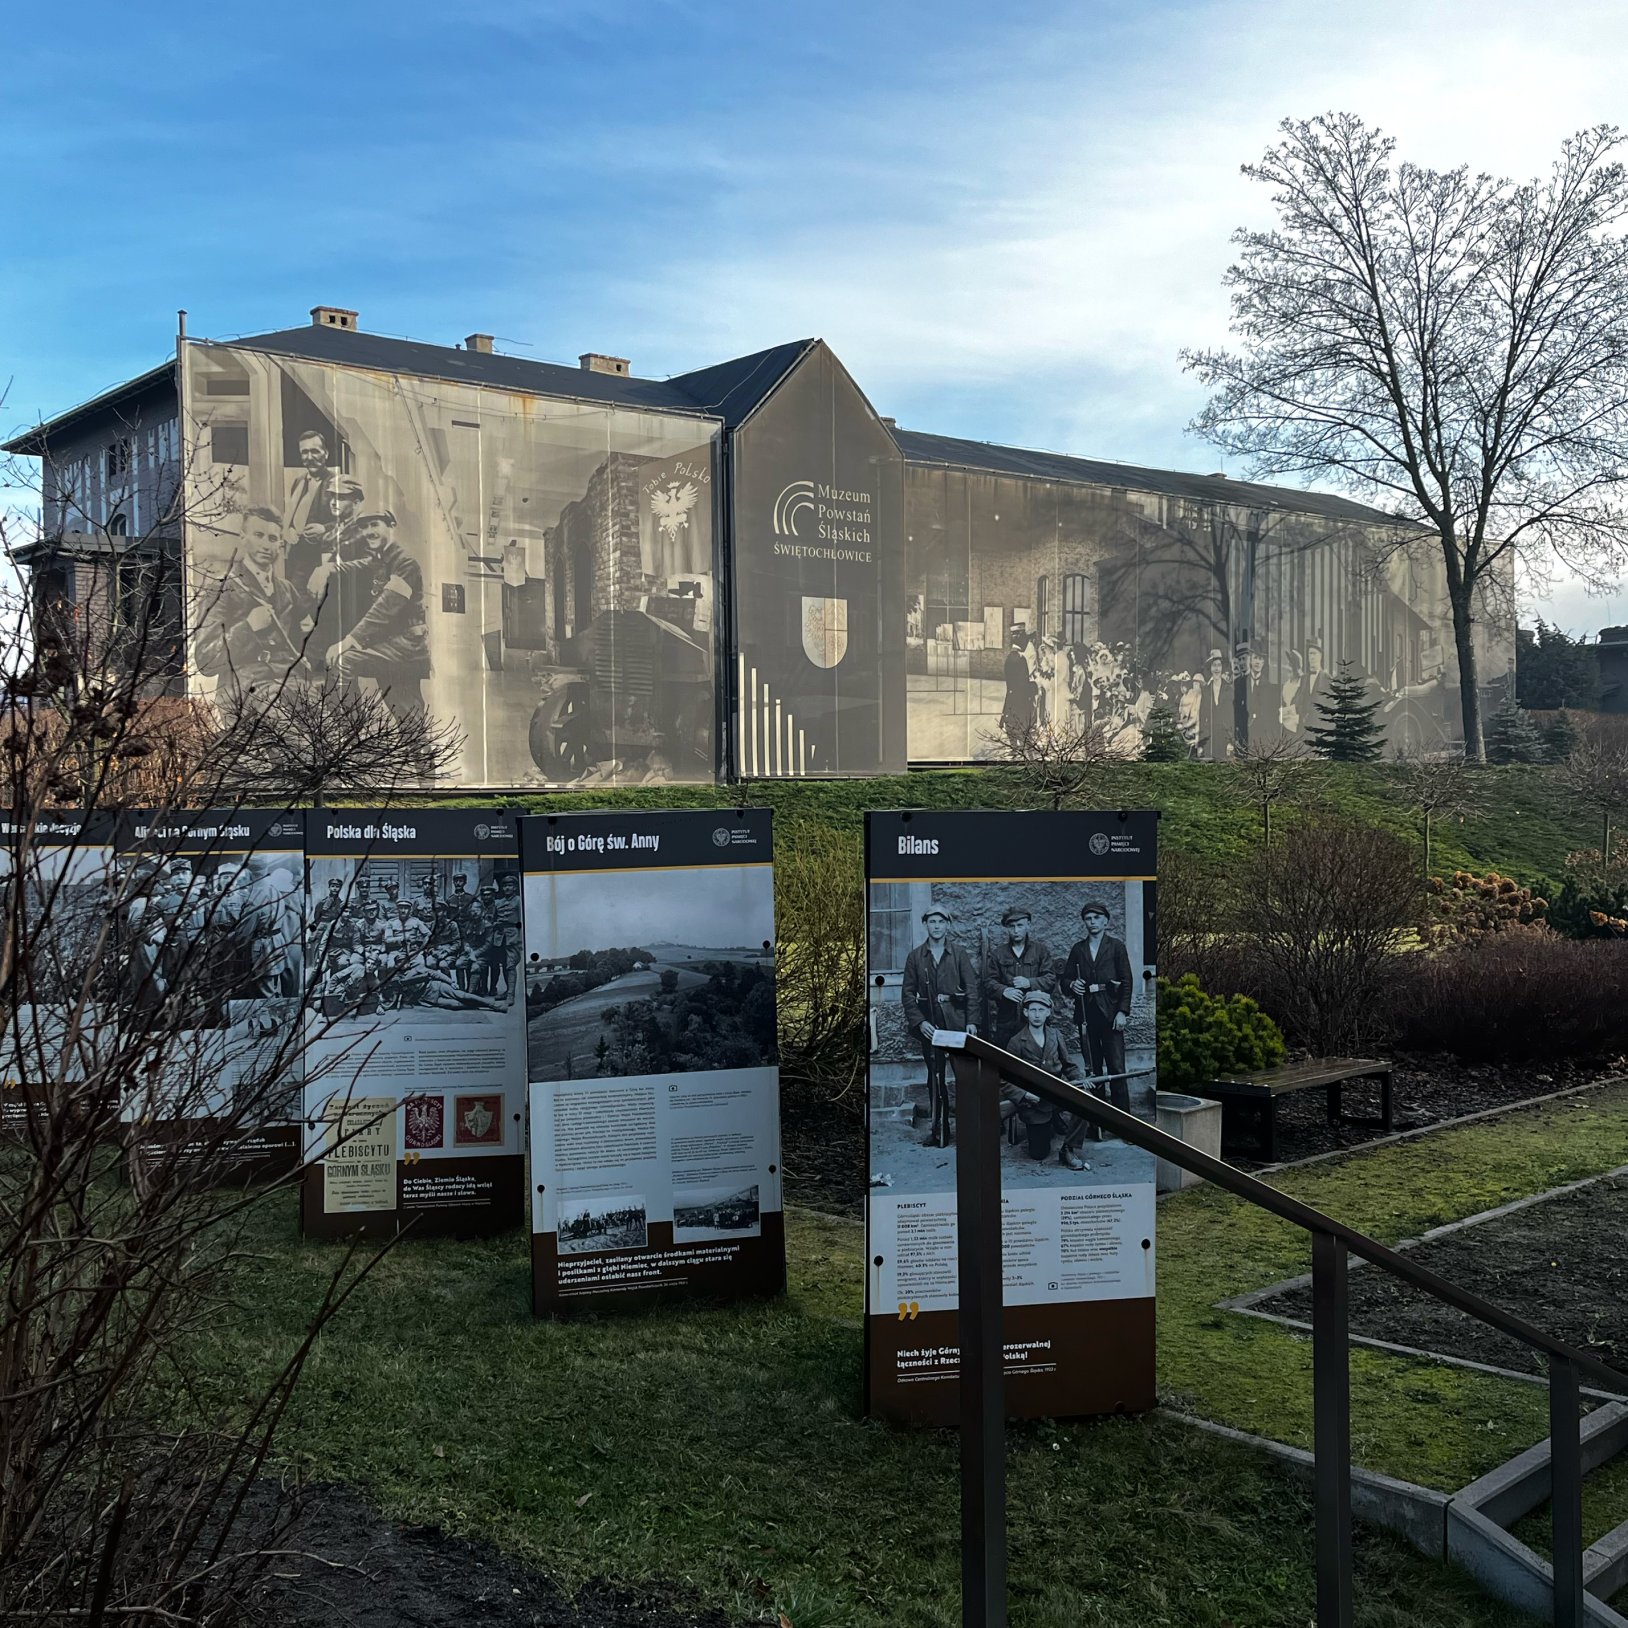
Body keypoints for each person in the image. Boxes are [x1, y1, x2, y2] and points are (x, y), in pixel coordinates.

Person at [309, 510, 431, 710]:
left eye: (374, 524)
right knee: (406, 713)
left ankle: (349, 727)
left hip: (405, 648)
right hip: (389, 647)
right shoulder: (381, 560)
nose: (368, 531)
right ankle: (350, 728)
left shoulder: (404, 563)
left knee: (343, 661)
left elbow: (385, 608)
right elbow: (355, 566)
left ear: (391, 526)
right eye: (364, 527)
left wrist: (349, 641)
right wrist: (324, 569)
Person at [193, 506, 316, 695]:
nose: (266, 545)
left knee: (331, 719)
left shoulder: (286, 590)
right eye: (259, 535)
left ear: (280, 544)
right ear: (243, 538)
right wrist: (248, 626)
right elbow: (206, 660)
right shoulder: (221, 589)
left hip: (289, 684)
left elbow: (309, 635)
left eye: (272, 538)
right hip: (243, 690)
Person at [899, 905, 980, 1146]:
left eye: (941, 922)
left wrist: (972, 1022)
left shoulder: (958, 954)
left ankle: (969, 1129)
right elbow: (907, 994)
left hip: (956, 1023)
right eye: (932, 921)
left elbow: (972, 990)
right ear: (926, 924)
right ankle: (938, 1128)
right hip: (930, 1025)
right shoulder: (915, 956)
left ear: (947, 925)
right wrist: (920, 1022)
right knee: (935, 1076)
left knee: (964, 1076)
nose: (936, 926)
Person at [1063, 900, 1134, 1126]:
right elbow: (1064, 980)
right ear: (1084, 922)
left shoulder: (1115, 946)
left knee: (1116, 1067)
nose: (1092, 922)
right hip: (1086, 1015)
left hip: (1111, 1014)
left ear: (1105, 921)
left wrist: (1122, 1011)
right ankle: (1098, 1123)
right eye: (1088, 918)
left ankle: (1124, 1123)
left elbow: (1126, 981)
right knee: (1093, 1069)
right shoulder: (1078, 949)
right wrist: (1072, 985)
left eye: (1096, 918)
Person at [1004, 990, 1092, 1170]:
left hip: (1057, 1094)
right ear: (1026, 1012)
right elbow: (1005, 1080)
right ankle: (1051, 1121)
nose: (1037, 1015)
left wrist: (1080, 1080)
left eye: (1041, 1010)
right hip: (1035, 1102)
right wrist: (1025, 1095)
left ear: (1048, 1012)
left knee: (1086, 1099)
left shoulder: (1055, 1035)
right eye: (1033, 1010)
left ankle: (1068, 1148)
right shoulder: (1016, 1042)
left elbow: (1069, 1065)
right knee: (1038, 1154)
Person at [984, 904, 1057, 1048]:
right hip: (1007, 1020)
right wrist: (1004, 991)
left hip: (1035, 1020)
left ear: (1028, 925)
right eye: (1011, 926)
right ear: (1007, 928)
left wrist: (1029, 983)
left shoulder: (1040, 951)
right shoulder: (998, 954)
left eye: (1020, 925)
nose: (1016, 930)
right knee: (1006, 1061)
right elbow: (988, 982)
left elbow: (1050, 979)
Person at [282, 430, 338, 587]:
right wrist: (291, 529)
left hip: (320, 560)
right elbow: (293, 516)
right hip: (294, 556)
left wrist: (324, 529)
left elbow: (349, 522)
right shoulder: (298, 482)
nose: (309, 457)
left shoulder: (337, 483)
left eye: (315, 451)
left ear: (325, 454)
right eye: (304, 452)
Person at [999, 627, 1036, 737]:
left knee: (1013, 736)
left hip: (1011, 703)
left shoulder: (1009, 658)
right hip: (1022, 704)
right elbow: (1024, 683)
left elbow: (1010, 686)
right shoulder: (1021, 659)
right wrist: (1034, 687)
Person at [1197, 648, 1233, 761]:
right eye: (1214, 665)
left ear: (1222, 667)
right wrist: (1201, 742)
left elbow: (1232, 715)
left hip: (1226, 736)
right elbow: (1202, 716)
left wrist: (1231, 740)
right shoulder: (1206, 690)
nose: (1217, 668)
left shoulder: (1229, 689)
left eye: (1219, 665)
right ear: (1210, 668)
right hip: (1210, 737)